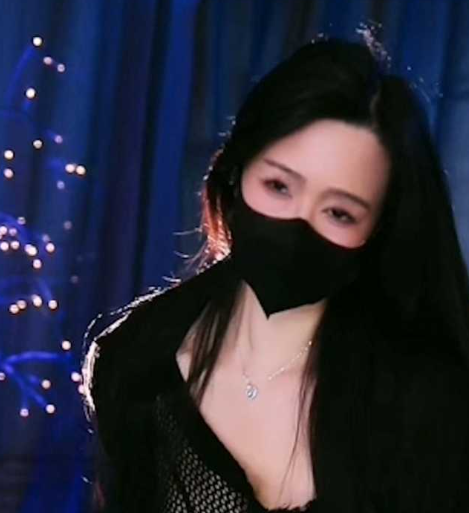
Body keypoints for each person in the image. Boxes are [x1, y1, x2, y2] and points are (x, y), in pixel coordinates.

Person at [81, 35, 469, 513]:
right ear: (237, 170)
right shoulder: (134, 362)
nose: (298, 223)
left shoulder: (430, 404)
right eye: (279, 186)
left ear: (378, 229)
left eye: (340, 213)